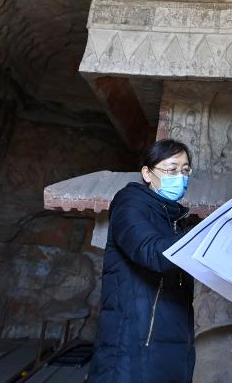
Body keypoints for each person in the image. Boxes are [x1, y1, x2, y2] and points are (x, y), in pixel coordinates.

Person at [88, 139, 195, 383]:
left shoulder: (174, 219)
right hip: (134, 341)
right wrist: (202, 235)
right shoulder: (130, 204)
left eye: (185, 170)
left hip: (173, 340)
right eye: (172, 170)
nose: (180, 177)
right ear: (147, 173)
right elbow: (150, 252)